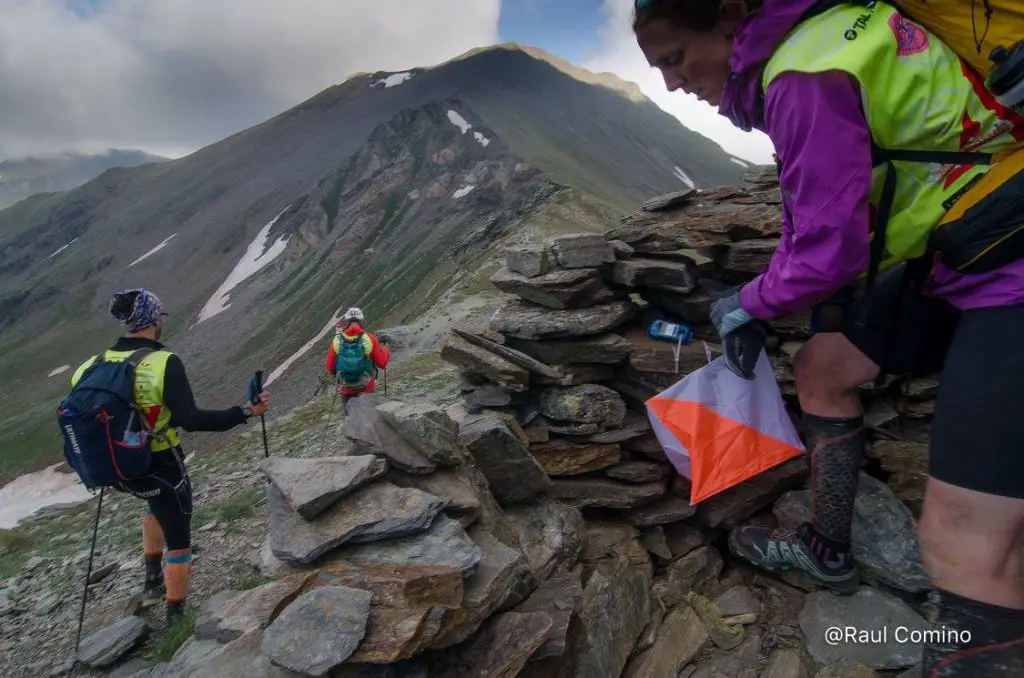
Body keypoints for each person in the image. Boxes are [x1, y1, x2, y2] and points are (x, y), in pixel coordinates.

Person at [633, 0, 1024, 674]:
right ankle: (830, 551)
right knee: (824, 366)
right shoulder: (815, 41)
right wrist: (780, 310)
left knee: (961, 545)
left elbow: (827, 254)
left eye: (674, 59)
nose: (672, 82)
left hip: (1006, 261)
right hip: (960, 246)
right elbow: (823, 206)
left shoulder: (801, 77)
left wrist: (743, 303)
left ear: (728, 21)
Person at [70, 288, 269, 622]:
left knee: (153, 507)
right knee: (178, 536)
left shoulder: (91, 365)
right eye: (161, 315)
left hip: (117, 468)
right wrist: (246, 412)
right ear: (152, 319)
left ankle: (152, 584)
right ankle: (176, 616)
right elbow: (191, 419)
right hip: (160, 463)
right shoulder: (163, 362)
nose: (162, 321)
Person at [324, 307, 390, 411]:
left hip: (346, 388)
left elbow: (330, 366)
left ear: (346, 321)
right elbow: (382, 363)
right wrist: (385, 350)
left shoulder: (337, 340)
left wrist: (341, 372)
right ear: (361, 321)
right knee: (368, 417)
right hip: (366, 387)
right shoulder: (369, 338)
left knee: (350, 418)